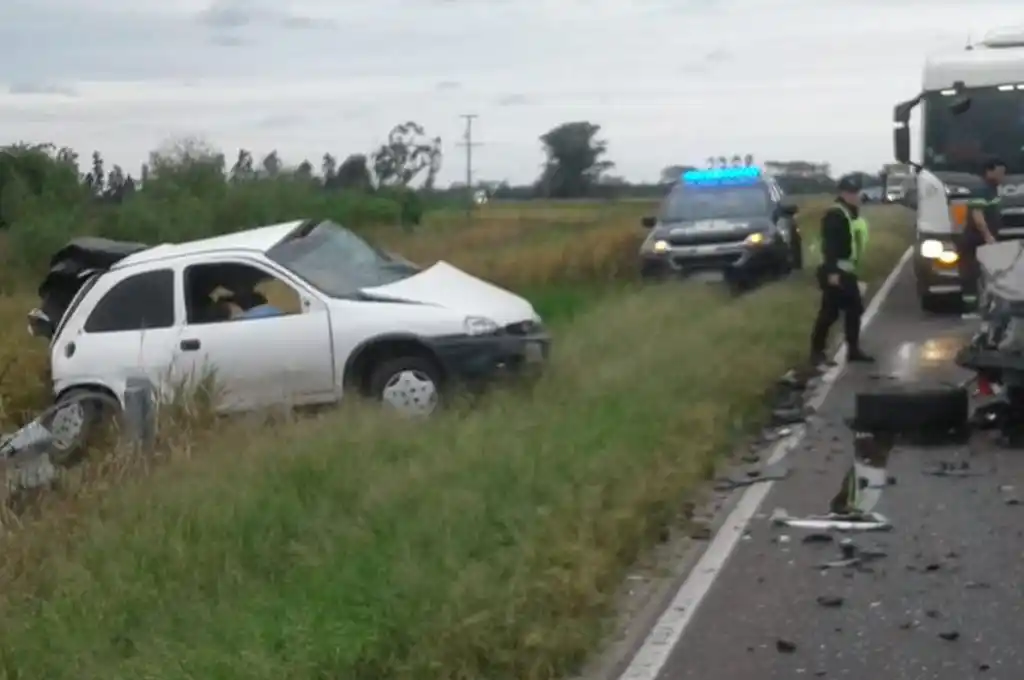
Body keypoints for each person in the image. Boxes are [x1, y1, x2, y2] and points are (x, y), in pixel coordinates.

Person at [810, 174, 875, 366]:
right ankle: (818, 352)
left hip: (845, 269)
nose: (855, 196)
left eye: (856, 192)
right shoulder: (835, 214)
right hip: (835, 270)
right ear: (843, 193)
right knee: (833, 312)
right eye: (851, 193)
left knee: (848, 309)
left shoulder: (849, 213)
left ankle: (849, 350)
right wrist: (832, 273)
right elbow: (829, 245)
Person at [959, 157, 1006, 319]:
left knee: (989, 274)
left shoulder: (992, 189)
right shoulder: (982, 189)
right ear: (989, 171)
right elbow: (978, 216)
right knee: (971, 273)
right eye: (1000, 172)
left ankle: (988, 308)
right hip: (975, 240)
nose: (1002, 176)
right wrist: (988, 237)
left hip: (984, 240)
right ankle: (970, 310)